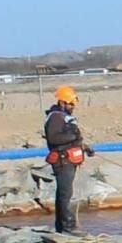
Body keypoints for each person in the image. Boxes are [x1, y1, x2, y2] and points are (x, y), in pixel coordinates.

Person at [43, 86, 93, 234]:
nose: (73, 107)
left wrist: (84, 147)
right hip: (62, 161)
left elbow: (73, 140)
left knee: (65, 193)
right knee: (65, 194)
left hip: (69, 160)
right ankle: (67, 226)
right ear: (62, 103)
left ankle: (62, 225)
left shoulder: (64, 117)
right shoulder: (55, 118)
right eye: (70, 104)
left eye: (73, 104)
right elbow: (53, 138)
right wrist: (74, 138)